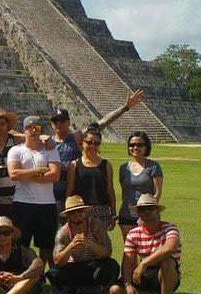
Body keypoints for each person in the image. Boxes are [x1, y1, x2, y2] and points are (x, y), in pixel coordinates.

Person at [50, 89, 145, 217]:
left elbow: (103, 122)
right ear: (51, 123)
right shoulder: (46, 141)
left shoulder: (77, 138)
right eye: (55, 120)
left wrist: (125, 107)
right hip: (50, 196)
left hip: (74, 197)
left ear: (68, 122)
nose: (59, 123)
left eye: (62, 120)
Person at [109, 194, 181, 294]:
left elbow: (170, 247)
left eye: (150, 208)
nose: (146, 211)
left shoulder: (170, 228)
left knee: (166, 260)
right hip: (145, 274)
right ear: (138, 213)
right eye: (142, 209)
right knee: (115, 291)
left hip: (166, 272)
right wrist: (128, 284)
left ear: (157, 210)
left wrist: (144, 263)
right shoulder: (134, 233)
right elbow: (128, 261)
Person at [7, 116, 62, 269]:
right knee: (20, 243)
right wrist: (37, 171)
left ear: (41, 130)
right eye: (29, 128)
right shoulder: (16, 150)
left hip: (46, 204)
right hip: (23, 203)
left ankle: (40, 274)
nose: (33, 131)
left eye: (37, 128)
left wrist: (27, 175)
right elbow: (13, 175)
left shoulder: (50, 149)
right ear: (24, 130)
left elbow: (55, 175)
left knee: (46, 246)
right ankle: (22, 272)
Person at [48, 195, 119, 294]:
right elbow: (57, 261)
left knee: (112, 265)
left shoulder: (96, 225)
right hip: (74, 267)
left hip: (93, 265)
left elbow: (107, 252)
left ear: (85, 212)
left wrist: (89, 243)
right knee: (53, 273)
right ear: (67, 215)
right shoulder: (63, 232)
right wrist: (71, 246)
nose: (77, 214)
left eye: (80, 211)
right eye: (72, 212)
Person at [65, 125, 117, 230]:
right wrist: (68, 212)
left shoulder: (106, 165)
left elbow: (110, 190)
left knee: (101, 243)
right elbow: (69, 191)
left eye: (96, 143)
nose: (92, 146)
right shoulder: (74, 165)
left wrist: (113, 214)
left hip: (101, 211)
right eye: (89, 142)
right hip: (80, 210)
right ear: (83, 142)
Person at [119, 131, 164, 241]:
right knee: (129, 251)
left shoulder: (153, 166)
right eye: (132, 145)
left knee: (149, 251)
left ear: (146, 147)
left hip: (148, 215)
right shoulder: (124, 168)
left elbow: (157, 192)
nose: (135, 147)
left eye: (139, 145)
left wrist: (149, 212)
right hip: (127, 215)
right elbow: (124, 193)